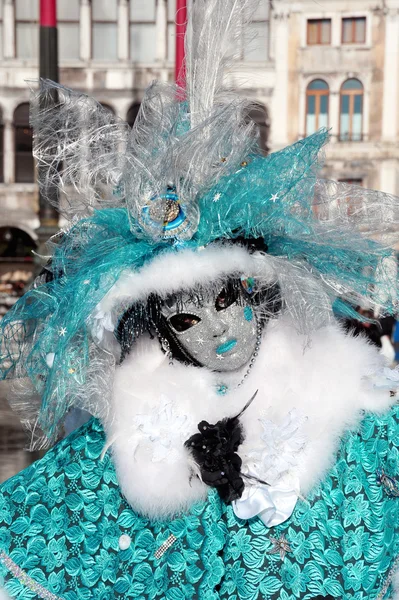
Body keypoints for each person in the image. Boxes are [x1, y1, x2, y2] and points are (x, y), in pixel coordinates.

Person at [0, 1, 399, 598]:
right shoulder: (139, 426)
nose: (217, 330)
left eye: (229, 296)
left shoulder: (348, 403)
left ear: (259, 293)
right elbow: (51, 510)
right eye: (186, 317)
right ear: (162, 336)